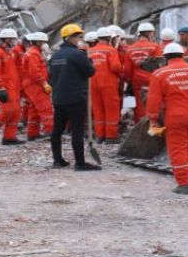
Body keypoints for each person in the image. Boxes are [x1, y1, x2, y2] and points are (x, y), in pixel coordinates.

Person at [146, 42, 188, 195]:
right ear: (183, 54)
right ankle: (187, 176)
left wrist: (152, 118)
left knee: (178, 148)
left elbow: (153, 100)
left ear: (165, 57)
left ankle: (183, 184)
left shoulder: (159, 74)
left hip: (176, 116)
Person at [48, 24, 97, 170]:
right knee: (77, 130)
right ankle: (80, 163)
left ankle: (57, 160)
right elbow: (90, 72)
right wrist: (90, 62)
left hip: (58, 98)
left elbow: (52, 76)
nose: (79, 39)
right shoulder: (77, 54)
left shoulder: (55, 56)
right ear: (68, 38)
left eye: (79, 36)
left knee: (57, 130)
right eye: (76, 37)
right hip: (75, 98)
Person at [88, 27, 122, 143]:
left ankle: (99, 135)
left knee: (98, 109)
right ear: (108, 38)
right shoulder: (111, 50)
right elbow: (115, 67)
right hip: (108, 83)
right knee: (111, 109)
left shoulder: (90, 51)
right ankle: (111, 136)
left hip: (93, 83)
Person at [124, 22, 162, 121]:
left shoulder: (130, 49)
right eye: (152, 33)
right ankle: (153, 127)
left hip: (137, 81)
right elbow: (159, 66)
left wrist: (130, 81)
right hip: (152, 80)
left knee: (140, 105)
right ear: (149, 33)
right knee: (153, 104)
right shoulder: (155, 47)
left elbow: (127, 70)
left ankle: (141, 128)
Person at [22, 32, 54, 140]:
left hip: (32, 84)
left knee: (34, 109)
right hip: (35, 84)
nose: (45, 44)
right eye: (44, 42)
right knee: (45, 108)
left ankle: (32, 133)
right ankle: (50, 131)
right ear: (38, 42)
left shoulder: (35, 53)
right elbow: (35, 72)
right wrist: (44, 83)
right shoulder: (33, 54)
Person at [11, 34, 30, 136]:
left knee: (27, 101)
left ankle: (24, 120)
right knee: (18, 102)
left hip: (24, 80)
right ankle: (18, 122)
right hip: (17, 80)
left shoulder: (26, 50)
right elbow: (12, 65)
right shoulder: (16, 50)